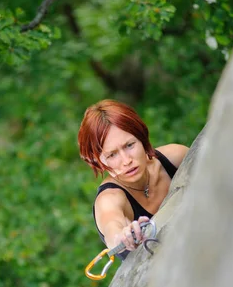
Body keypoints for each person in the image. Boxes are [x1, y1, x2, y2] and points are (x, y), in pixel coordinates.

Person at [78, 99, 189, 258]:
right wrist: (121, 236)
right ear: (98, 161)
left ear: (141, 138)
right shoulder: (109, 199)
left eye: (129, 145)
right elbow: (111, 224)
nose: (126, 161)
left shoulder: (176, 158)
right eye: (112, 155)